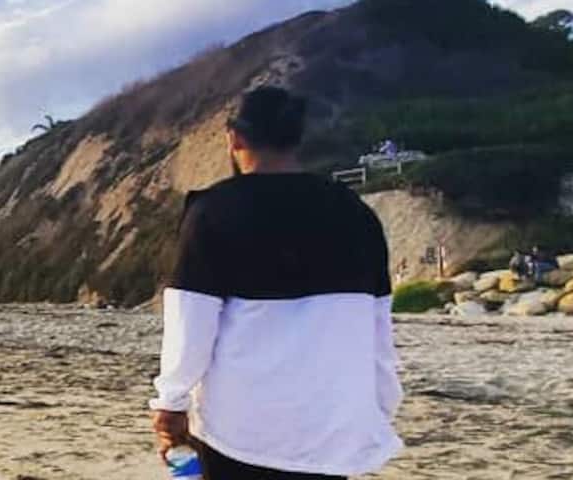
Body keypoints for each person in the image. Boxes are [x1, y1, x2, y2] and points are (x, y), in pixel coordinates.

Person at [151, 86, 401, 479]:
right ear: (296, 138)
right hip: (330, 424)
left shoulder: (213, 212)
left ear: (234, 138)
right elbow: (377, 326)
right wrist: (381, 404)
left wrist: (172, 400)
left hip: (242, 429)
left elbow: (191, 322)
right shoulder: (355, 213)